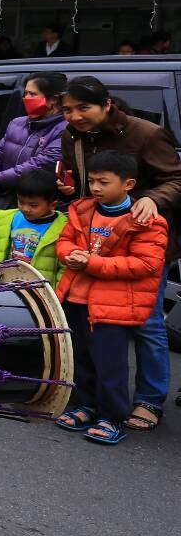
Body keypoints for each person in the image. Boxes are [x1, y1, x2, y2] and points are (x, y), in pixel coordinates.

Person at [58, 75, 181, 432]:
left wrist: (150, 199)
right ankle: (92, 399)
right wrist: (72, 188)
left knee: (147, 324)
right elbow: (83, 181)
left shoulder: (145, 133)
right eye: (68, 109)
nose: (75, 116)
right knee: (86, 326)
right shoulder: (72, 135)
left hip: (144, 238)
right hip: (95, 236)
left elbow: (176, 178)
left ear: (107, 104)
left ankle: (148, 400)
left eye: (84, 108)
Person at [53, 151, 169, 445]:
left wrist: (91, 263)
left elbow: (146, 264)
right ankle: (86, 406)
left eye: (103, 182)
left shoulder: (147, 221)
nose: (95, 188)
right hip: (76, 297)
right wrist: (70, 254)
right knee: (81, 358)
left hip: (113, 305)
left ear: (129, 184)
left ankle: (112, 417)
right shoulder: (83, 209)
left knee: (110, 365)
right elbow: (64, 240)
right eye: (91, 181)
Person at [0, 72, 67, 217]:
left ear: (52, 100)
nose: (25, 98)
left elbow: (39, 165)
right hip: (7, 207)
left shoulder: (65, 129)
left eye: (32, 94)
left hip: (40, 212)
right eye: (25, 93)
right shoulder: (17, 123)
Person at [0, 167, 66, 286]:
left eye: (33, 205)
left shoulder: (62, 228)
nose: (25, 208)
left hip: (40, 290)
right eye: (21, 202)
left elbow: (64, 268)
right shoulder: (9, 219)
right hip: (6, 284)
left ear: (52, 205)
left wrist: (57, 295)